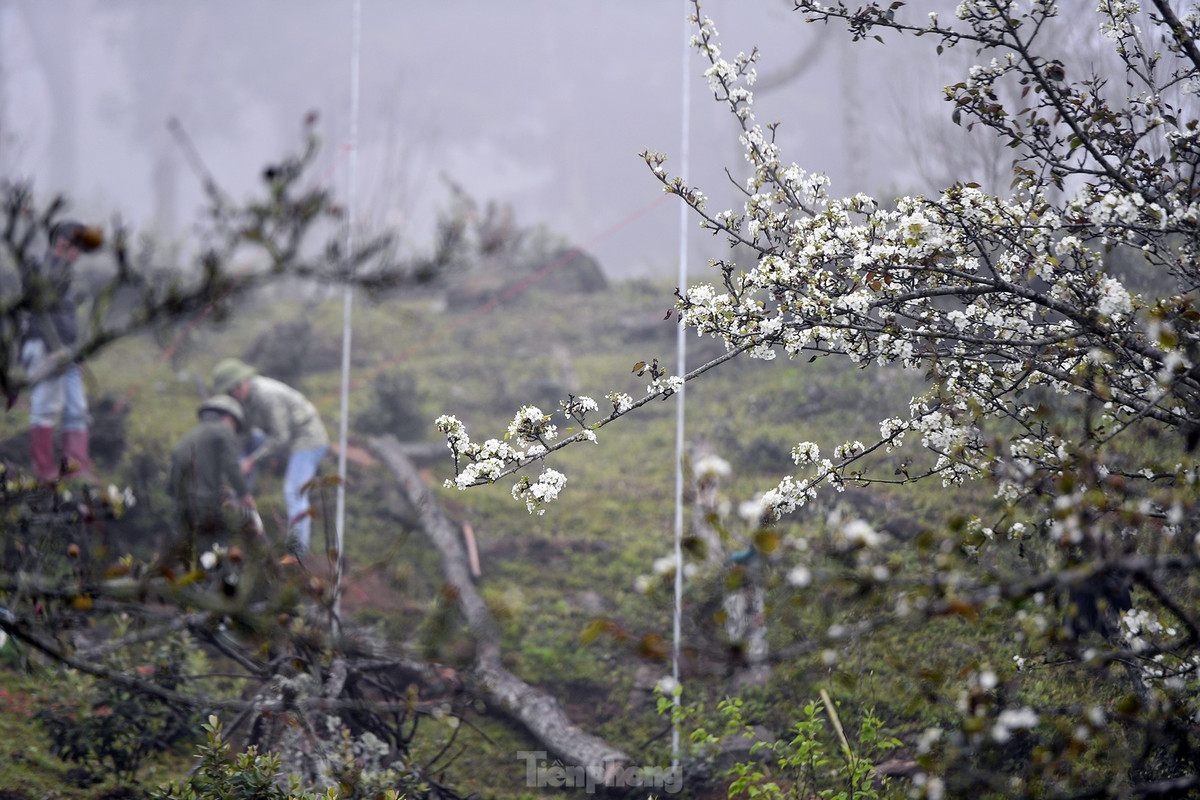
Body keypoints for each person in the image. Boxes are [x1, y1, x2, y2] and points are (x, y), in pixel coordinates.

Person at [211, 357, 329, 556]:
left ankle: (298, 554)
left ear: (241, 383)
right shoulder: (245, 400)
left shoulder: (267, 396)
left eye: (234, 390)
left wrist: (252, 460)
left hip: (307, 439)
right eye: (229, 392)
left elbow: (280, 437)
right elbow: (245, 434)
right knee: (246, 447)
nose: (233, 395)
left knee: (294, 492)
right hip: (285, 439)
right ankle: (241, 498)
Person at [20, 220, 104, 482]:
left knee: (77, 409)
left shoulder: (66, 274)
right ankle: (44, 471)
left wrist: (74, 355)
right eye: (76, 247)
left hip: (66, 352)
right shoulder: (42, 271)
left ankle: (76, 470)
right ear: (62, 244)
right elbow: (41, 313)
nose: (79, 254)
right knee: (45, 406)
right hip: (45, 347)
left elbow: (67, 319)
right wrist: (56, 349)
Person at [167, 394, 258, 567]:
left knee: (187, 556)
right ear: (229, 417)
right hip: (206, 507)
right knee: (222, 548)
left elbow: (172, 484)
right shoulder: (223, 430)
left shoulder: (188, 438)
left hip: (181, 508)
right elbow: (232, 466)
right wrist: (245, 495)